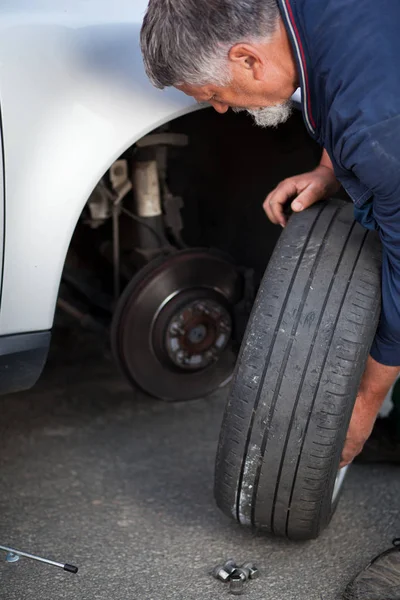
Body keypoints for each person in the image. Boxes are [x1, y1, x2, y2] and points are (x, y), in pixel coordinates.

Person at [140, 1, 400, 596]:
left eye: (214, 93)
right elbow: (340, 71)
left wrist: (359, 405)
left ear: (245, 57)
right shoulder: (305, 16)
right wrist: (332, 165)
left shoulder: (380, 125)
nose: (222, 108)